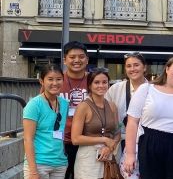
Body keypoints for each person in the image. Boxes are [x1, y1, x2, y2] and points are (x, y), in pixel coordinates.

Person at [123, 56, 173, 179]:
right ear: (167, 69)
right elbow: (132, 122)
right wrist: (130, 154)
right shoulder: (147, 89)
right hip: (150, 144)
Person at [71, 68, 121, 179]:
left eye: (104, 82)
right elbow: (75, 139)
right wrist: (104, 139)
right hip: (88, 158)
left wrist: (110, 147)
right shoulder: (83, 106)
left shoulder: (112, 106)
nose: (101, 85)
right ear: (89, 85)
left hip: (108, 154)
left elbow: (117, 132)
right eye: (96, 82)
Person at [105, 52, 148, 178]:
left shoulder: (154, 88)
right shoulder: (115, 88)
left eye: (136, 65)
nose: (132, 69)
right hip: (119, 141)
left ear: (144, 67)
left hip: (145, 142)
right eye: (129, 66)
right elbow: (105, 113)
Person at [23, 64, 69, 179]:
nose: (55, 83)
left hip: (60, 164)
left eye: (58, 79)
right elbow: (28, 139)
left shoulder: (64, 103)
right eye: (50, 79)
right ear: (41, 81)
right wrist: (33, 172)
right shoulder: (34, 105)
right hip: (39, 163)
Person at [60, 41, 89, 179]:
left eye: (81, 56)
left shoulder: (95, 80)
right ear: (65, 60)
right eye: (72, 57)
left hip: (87, 141)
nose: (77, 60)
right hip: (61, 141)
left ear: (87, 59)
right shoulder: (56, 80)